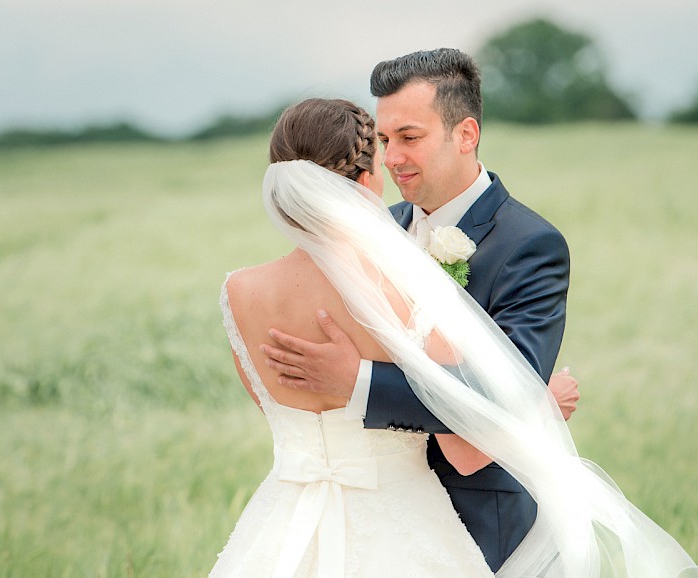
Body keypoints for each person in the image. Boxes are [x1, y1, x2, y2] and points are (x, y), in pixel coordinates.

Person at [261, 47, 577, 571]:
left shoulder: (530, 244)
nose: (390, 158)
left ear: (466, 134)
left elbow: (502, 394)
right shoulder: (368, 228)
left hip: (481, 519)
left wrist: (358, 380)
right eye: (384, 140)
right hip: (369, 514)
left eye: (410, 137)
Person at [210, 97, 518, 577]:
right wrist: (536, 405)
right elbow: (467, 449)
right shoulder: (408, 287)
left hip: (282, 530)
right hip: (402, 530)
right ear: (366, 177)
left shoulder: (239, 293)